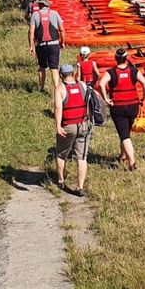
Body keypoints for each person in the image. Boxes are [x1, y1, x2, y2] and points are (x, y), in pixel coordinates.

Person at [98, 49, 145, 171]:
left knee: (125, 135)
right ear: (126, 59)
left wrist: (105, 98)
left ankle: (131, 162)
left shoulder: (111, 72)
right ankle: (123, 156)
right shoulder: (134, 71)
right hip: (133, 106)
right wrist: (144, 99)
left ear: (116, 58)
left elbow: (101, 84)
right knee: (125, 132)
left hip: (118, 106)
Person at [54, 63, 92, 196]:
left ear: (61, 75)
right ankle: (80, 187)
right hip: (83, 125)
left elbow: (59, 108)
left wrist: (58, 126)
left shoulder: (60, 88)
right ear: (73, 73)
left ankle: (60, 180)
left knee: (61, 153)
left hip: (68, 126)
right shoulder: (82, 85)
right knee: (82, 157)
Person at [28, 0, 63, 93]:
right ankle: (56, 88)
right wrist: (62, 42)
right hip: (54, 44)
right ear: (47, 5)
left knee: (42, 67)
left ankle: (42, 88)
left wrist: (31, 45)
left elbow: (31, 31)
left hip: (41, 45)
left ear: (40, 4)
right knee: (54, 68)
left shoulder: (35, 15)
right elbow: (62, 30)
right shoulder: (55, 13)